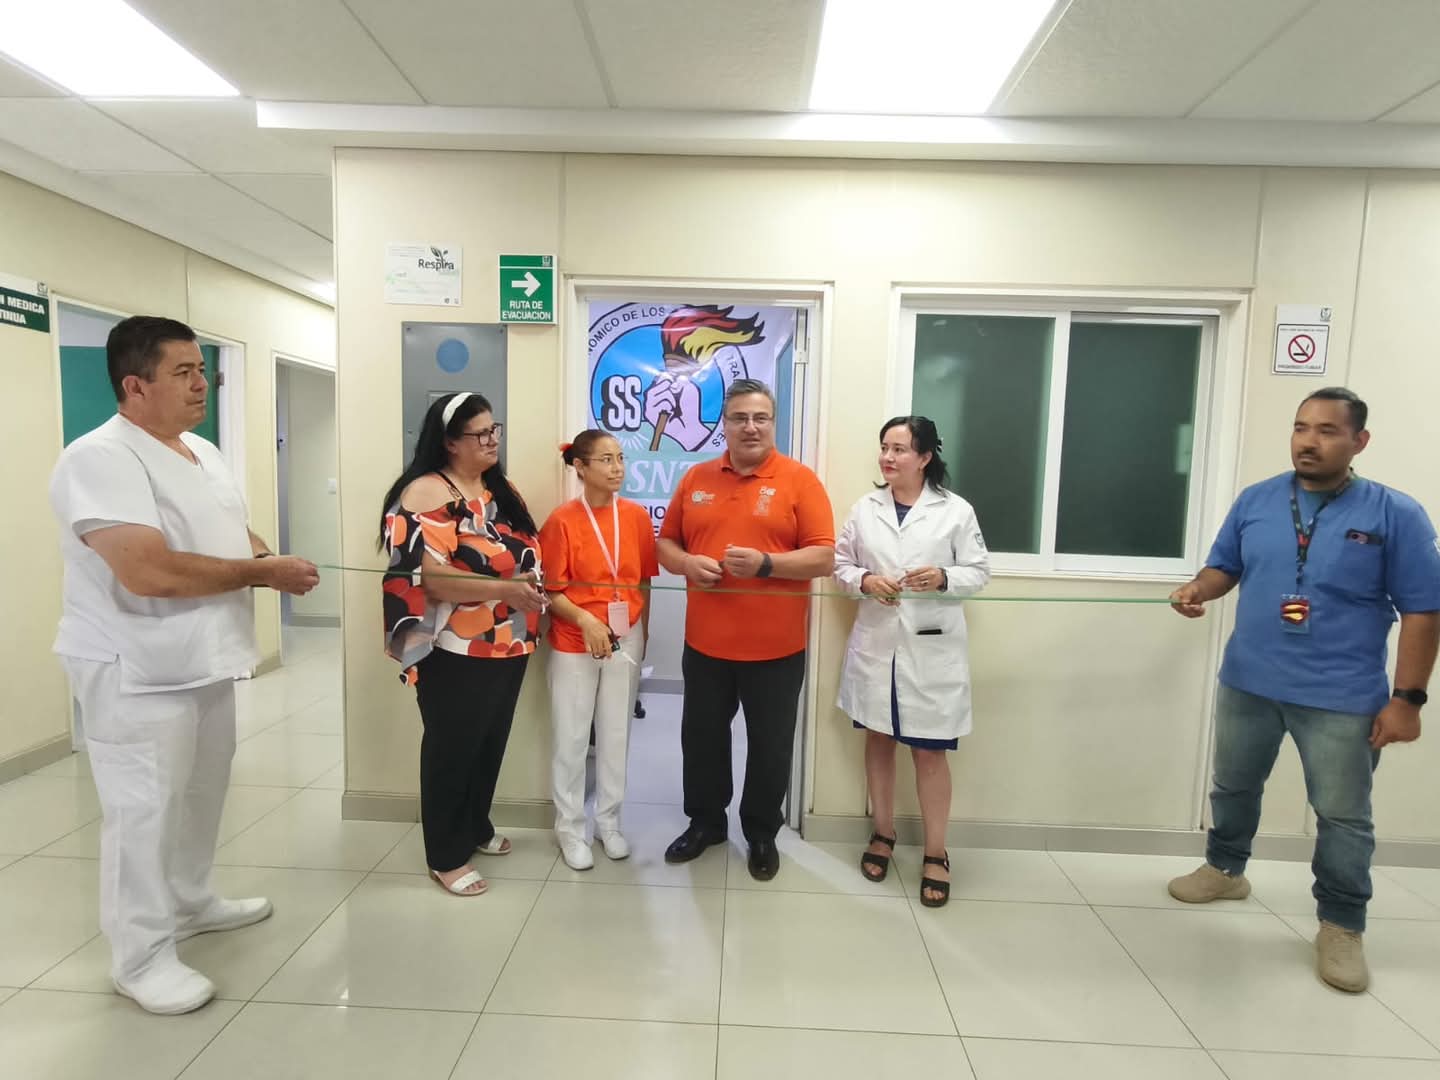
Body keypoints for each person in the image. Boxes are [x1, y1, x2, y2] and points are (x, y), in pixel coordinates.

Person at [49, 316, 320, 1015]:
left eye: (203, 370)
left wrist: (266, 558)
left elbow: (230, 529)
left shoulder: (200, 450)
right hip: (134, 668)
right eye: (183, 372)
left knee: (201, 790)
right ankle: (139, 958)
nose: (202, 384)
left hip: (205, 659)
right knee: (142, 812)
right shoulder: (99, 458)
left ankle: (190, 900)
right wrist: (261, 575)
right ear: (134, 385)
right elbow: (148, 571)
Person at [1167, 387, 1440, 993]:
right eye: (1300, 427)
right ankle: (1225, 869)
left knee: (1342, 816)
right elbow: (1224, 567)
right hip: (1250, 681)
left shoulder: (1396, 514)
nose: (1308, 441)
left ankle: (1341, 924)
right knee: (1234, 785)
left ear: (1359, 441)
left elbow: (1423, 610)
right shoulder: (1258, 499)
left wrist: (1408, 700)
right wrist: (1198, 590)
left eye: (1326, 430)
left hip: (1342, 695)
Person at [658, 379, 835, 880]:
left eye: (760, 418)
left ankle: (760, 832)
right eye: (739, 418)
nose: (750, 427)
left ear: (773, 423)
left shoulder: (800, 481)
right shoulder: (696, 478)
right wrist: (687, 563)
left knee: (770, 746)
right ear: (725, 424)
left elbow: (824, 557)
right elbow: (666, 544)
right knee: (702, 739)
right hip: (706, 645)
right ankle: (706, 823)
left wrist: (766, 564)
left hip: (777, 649)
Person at [379, 392, 545, 898]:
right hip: (453, 648)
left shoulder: (500, 488)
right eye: (481, 433)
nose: (493, 440)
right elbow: (430, 578)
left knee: (489, 742)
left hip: (509, 641)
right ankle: (445, 854)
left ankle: (475, 825)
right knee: (452, 747)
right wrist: (506, 590)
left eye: (496, 430)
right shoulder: (424, 493)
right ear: (450, 442)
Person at [833, 416, 990, 907]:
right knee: (878, 739)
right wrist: (864, 581)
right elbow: (840, 564)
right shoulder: (866, 509)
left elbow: (979, 572)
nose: (888, 457)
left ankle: (936, 853)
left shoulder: (955, 511)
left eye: (899, 449)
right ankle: (882, 833)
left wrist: (943, 577)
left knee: (929, 753)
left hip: (931, 649)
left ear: (924, 457)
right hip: (878, 646)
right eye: (885, 447)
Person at [538, 430, 658, 870]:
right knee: (572, 738)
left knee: (616, 733)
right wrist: (586, 620)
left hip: (625, 638)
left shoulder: (636, 517)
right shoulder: (562, 521)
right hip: (576, 641)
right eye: (606, 460)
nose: (617, 467)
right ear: (581, 467)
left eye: (620, 458)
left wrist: (644, 633)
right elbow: (551, 591)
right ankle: (570, 829)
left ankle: (609, 823)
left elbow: (643, 580)